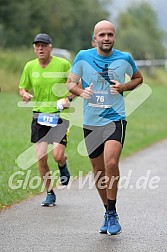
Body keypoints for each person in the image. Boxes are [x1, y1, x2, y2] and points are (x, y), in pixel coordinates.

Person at [66, 20, 143, 235]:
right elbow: (70, 83)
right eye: (102, 35)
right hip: (91, 121)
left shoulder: (124, 58)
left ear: (114, 37)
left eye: (110, 34)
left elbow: (138, 78)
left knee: (110, 162)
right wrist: (82, 93)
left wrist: (123, 87)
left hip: (115, 117)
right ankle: (109, 211)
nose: (106, 38)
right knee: (98, 170)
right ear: (95, 38)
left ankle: (112, 211)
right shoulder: (83, 57)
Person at [19, 33, 74, 206]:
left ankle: (63, 165)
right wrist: (25, 94)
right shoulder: (30, 67)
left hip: (59, 116)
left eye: (44, 45)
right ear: (34, 48)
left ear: (51, 47)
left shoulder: (63, 64)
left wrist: (68, 99)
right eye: (37, 46)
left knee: (58, 155)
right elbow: (22, 87)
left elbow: (77, 86)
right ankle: (50, 192)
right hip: (39, 116)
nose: (40, 49)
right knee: (41, 158)